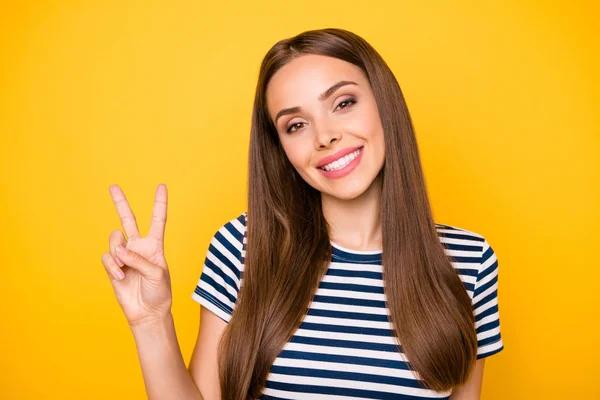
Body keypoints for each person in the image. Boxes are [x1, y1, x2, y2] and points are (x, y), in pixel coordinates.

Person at [102, 28, 503, 400]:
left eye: (343, 103)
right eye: (296, 125)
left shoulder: (470, 261)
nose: (324, 135)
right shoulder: (242, 247)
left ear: (385, 104)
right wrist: (150, 321)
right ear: (281, 149)